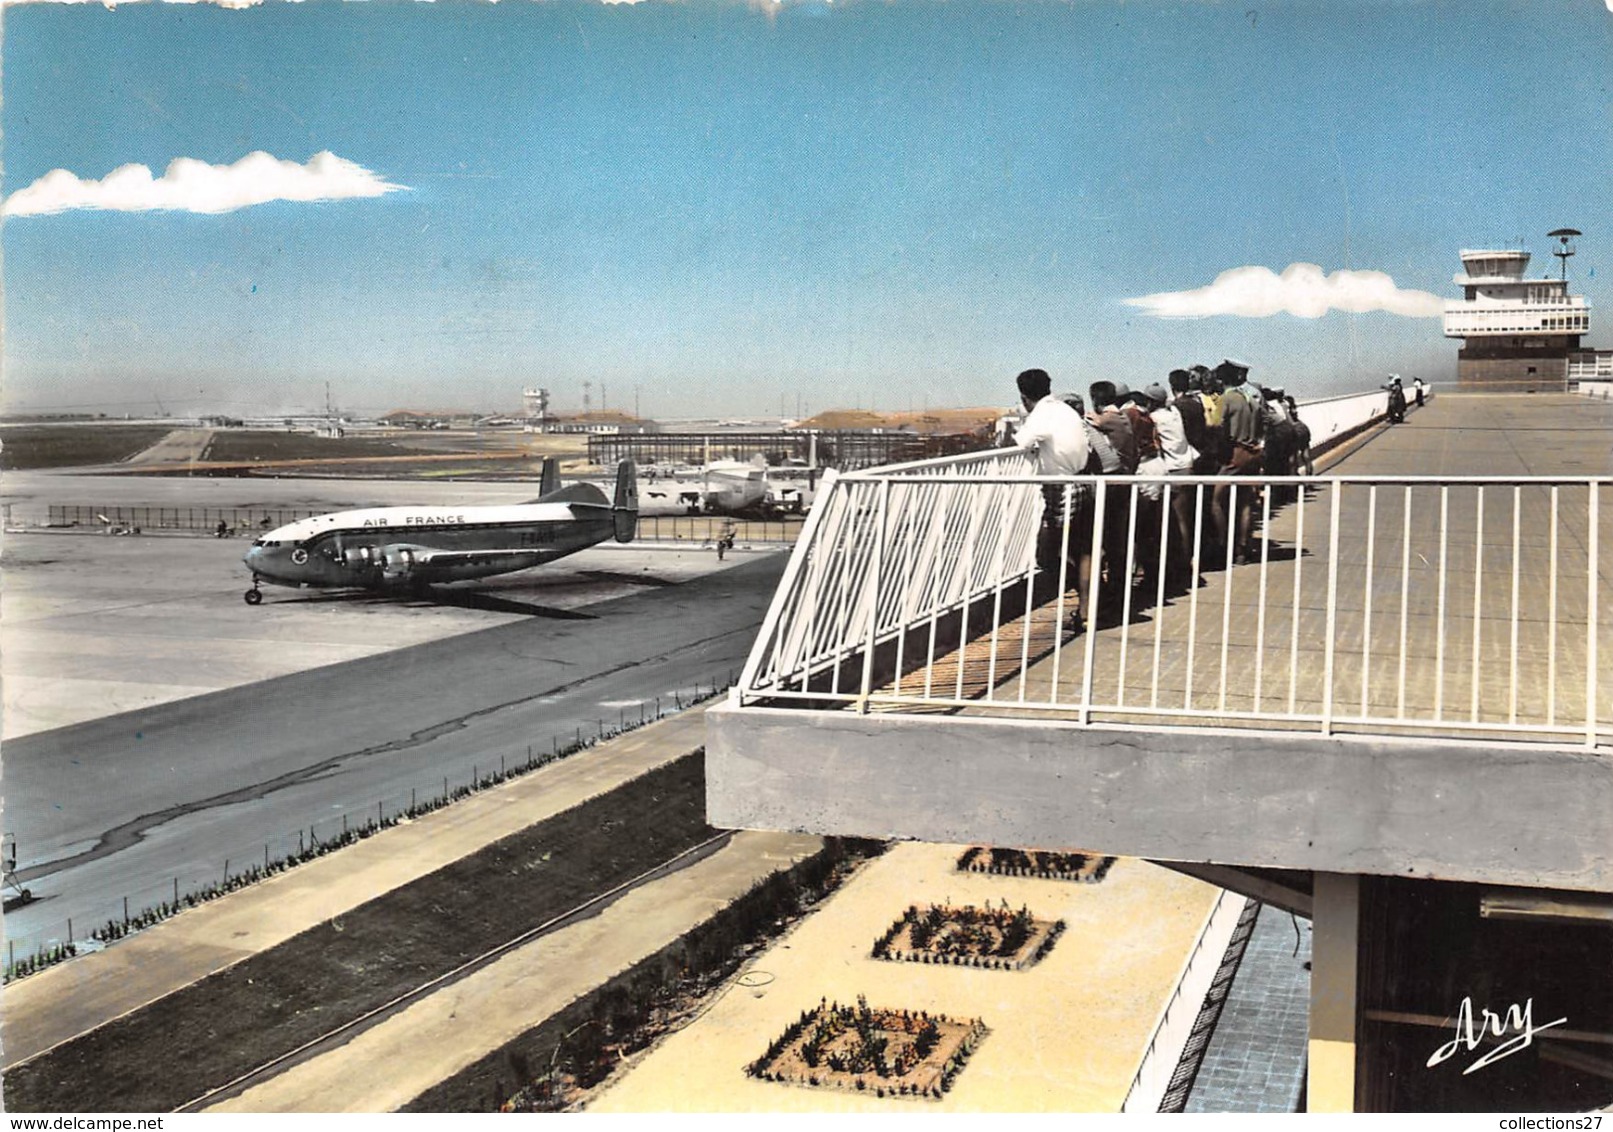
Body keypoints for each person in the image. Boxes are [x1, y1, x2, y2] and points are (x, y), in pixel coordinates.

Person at [1011, 369, 1092, 629]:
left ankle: (1084, 598)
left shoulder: (1041, 414)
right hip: (1082, 481)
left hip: (1061, 488)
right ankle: (1087, 608)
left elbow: (1021, 443)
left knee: (1047, 553)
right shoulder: (1064, 409)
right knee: (1082, 551)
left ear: (1024, 397)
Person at [1213, 358, 1264, 565]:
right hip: (1253, 453)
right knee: (1245, 502)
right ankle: (1242, 549)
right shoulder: (1250, 398)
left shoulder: (1225, 399)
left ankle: (1224, 547)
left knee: (1216, 500)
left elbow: (1215, 427)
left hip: (1236, 454)